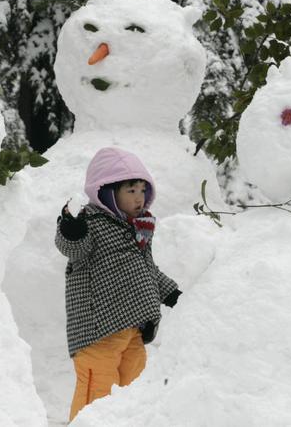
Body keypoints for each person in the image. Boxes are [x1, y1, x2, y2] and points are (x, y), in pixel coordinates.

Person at [55, 147, 182, 422]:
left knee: (132, 391)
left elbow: (146, 270)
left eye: (142, 190)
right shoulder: (91, 222)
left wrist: (170, 293)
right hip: (98, 331)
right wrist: (71, 230)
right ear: (108, 192)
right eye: (130, 190)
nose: (139, 198)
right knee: (97, 392)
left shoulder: (138, 228)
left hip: (133, 329)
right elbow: (73, 249)